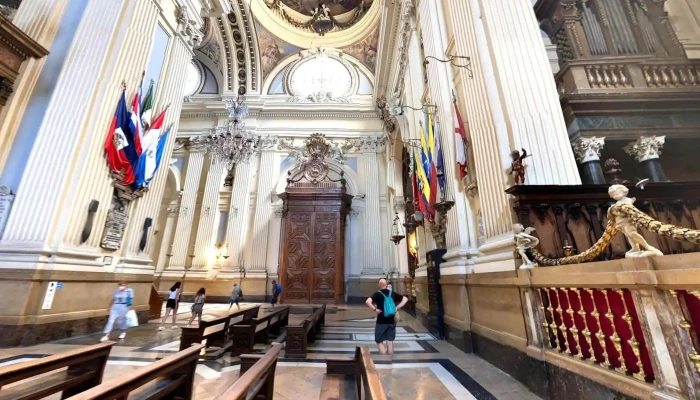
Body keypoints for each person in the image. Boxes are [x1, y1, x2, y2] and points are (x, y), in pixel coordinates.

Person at [365, 278, 408, 355]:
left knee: (379, 340)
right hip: (392, 321)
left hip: (381, 321)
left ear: (379, 285)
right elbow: (405, 299)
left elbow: (368, 302)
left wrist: (375, 309)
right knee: (390, 341)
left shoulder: (377, 294)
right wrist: (397, 307)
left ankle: (384, 357)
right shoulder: (392, 293)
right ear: (386, 285)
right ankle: (390, 359)